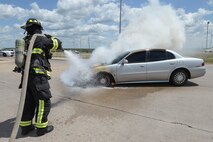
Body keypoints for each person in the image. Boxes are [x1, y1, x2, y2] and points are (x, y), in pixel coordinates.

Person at [15, 18, 62, 136]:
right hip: (38, 78)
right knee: (43, 102)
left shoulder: (25, 41)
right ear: (39, 28)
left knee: (28, 102)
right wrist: (52, 38)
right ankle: (41, 128)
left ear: (27, 29)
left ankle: (25, 127)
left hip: (26, 77)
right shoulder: (41, 39)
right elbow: (58, 44)